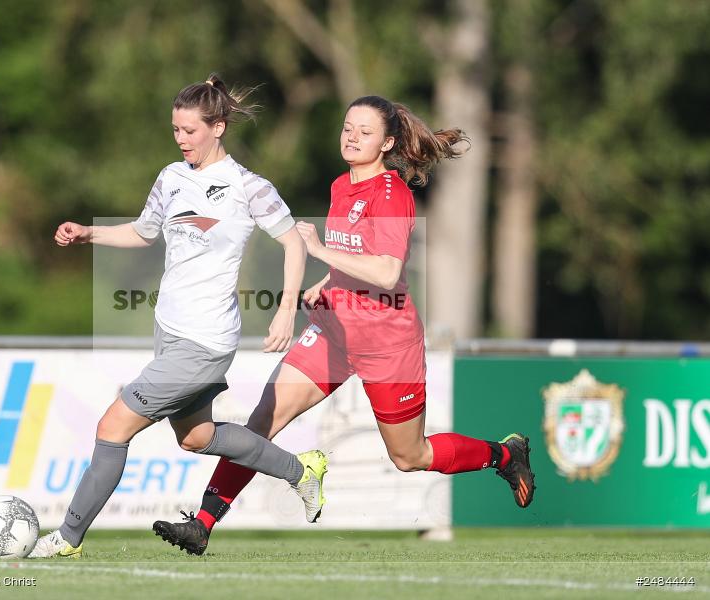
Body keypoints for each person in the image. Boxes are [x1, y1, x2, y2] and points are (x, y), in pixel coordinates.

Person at [153, 95, 536, 556]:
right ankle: (203, 524)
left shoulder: (393, 195)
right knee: (261, 421)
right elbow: (354, 257)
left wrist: (318, 252)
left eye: (365, 132)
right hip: (333, 331)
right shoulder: (340, 186)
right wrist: (324, 281)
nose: (352, 137)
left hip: (387, 345)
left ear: (388, 142)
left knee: (409, 457)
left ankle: (505, 454)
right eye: (347, 127)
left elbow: (387, 272)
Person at [29, 74, 329, 558]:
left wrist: (286, 308)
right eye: (175, 130)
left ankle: (66, 538)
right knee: (197, 437)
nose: (181, 139)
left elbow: (293, 241)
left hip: (206, 341)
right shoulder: (171, 178)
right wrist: (89, 234)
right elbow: (145, 232)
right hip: (168, 332)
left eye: (190, 130)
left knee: (112, 427)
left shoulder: (248, 186)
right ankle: (302, 470)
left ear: (219, 127)